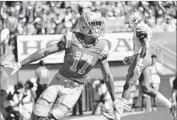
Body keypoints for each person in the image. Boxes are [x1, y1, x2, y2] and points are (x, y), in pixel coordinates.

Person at [3, 12, 131, 120]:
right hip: (59, 81)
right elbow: (45, 52)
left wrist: (115, 100)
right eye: (94, 24)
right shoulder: (71, 38)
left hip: (75, 88)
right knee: (37, 114)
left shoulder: (101, 47)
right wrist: (21, 63)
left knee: (54, 116)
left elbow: (107, 75)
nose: (98, 27)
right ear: (83, 26)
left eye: (99, 24)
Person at [120, 10, 176, 120]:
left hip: (141, 58)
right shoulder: (142, 27)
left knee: (128, 84)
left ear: (135, 19)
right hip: (143, 57)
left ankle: (116, 115)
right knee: (145, 88)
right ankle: (171, 105)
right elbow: (142, 48)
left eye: (130, 18)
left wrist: (138, 62)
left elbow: (145, 46)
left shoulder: (140, 27)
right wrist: (131, 58)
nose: (128, 21)